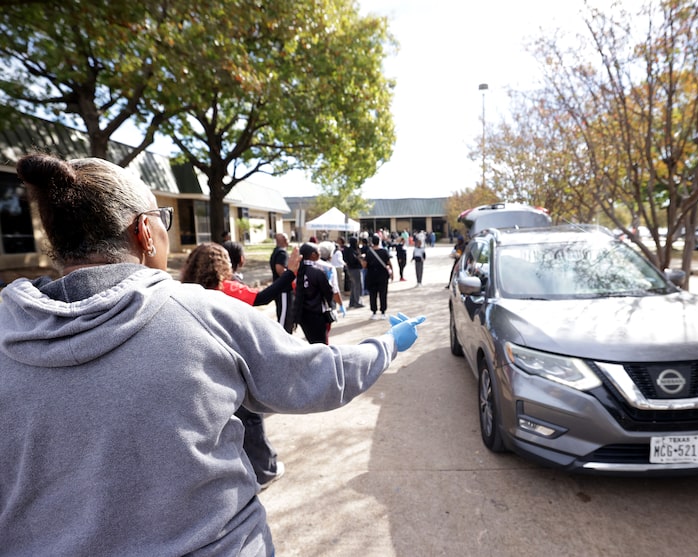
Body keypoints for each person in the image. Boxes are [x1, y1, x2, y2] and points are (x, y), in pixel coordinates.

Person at [0, 153, 426, 556]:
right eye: (162, 219)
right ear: (144, 232)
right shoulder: (201, 313)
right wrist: (386, 344)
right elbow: (324, 377)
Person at [185, 241, 300, 488]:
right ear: (221, 264)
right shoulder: (225, 290)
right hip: (229, 366)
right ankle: (264, 471)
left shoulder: (184, 291)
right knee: (250, 417)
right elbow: (263, 297)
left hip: (199, 370)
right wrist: (290, 272)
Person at [292, 242, 338, 344]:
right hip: (317, 315)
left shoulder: (297, 272)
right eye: (318, 251)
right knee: (322, 345)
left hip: (303, 316)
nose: (320, 253)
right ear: (313, 255)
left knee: (312, 343)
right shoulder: (318, 272)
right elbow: (328, 292)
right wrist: (333, 306)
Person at [269, 232, 294, 332]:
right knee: (284, 316)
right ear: (284, 240)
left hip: (280, 288)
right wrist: (290, 275)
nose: (289, 241)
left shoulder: (276, 251)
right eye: (287, 239)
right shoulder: (282, 253)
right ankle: (283, 336)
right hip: (283, 289)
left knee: (285, 314)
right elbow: (279, 269)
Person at [365, 234, 392, 320]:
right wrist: (392, 273)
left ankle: (374, 312)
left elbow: (365, 265)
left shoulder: (369, 252)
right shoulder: (384, 251)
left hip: (372, 276)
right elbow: (389, 262)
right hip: (383, 276)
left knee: (373, 294)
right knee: (383, 294)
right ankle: (383, 312)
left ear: (372, 242)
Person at [344, 236, 365, 308]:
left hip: (350, 269)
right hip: (355, 269)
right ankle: (357, 302)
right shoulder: (352, 251)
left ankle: (352, 302)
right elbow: (354, 259)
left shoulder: (347, 250)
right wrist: (359, 258)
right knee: (357, 286)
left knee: (353, 286)